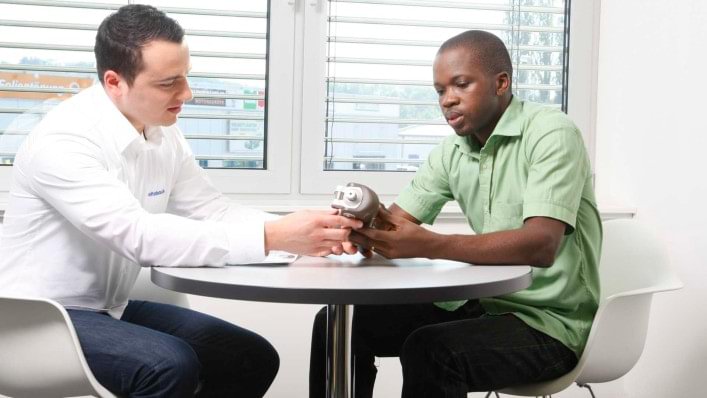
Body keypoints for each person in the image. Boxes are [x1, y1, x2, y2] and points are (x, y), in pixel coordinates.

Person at [0, 5, 362, 398]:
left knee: (250, 356)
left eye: (186, 77)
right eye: (169, 82)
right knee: (167, 366)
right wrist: (274, 236)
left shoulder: (159, 129)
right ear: (114, 81)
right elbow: (138, 235)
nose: (186, 94)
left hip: (109, 309)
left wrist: (306, 233)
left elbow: (213, 210)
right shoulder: (64, 141)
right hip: (33, 320)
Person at [309, 30, 602, 398]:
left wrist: (429, 245)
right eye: (440, 91)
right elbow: (397, 226)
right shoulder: (452, 151)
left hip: (550, 324)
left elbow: (540, 245)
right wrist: (365, 222)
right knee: (339, 326)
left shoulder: (551, 133)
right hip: (483, 306)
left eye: (461, 85)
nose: (448, 100)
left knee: (432, 351)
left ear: (501, 83)